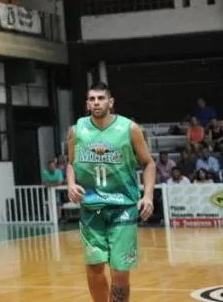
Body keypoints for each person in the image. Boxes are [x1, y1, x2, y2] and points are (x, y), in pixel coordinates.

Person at [67, 82, 155, 302]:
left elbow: (148, 163)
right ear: (87, 103)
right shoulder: (76, 131)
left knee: (119, 271)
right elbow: (70, 163)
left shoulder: (130, 128)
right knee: (94, 270)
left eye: (101, 98)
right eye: (92, 99)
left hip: (122, 207)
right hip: (91, 208)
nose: (96, 102)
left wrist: (148, 196)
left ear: (111, 102)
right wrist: (70, 184)